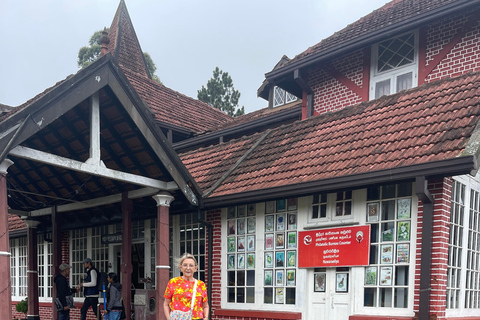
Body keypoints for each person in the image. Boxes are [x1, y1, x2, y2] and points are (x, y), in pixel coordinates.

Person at [164, 253, 209, 320]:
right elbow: (166, 304)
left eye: (191, 265)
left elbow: (205, 306)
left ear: (195, 268)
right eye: (185, 265)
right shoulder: (173, 282)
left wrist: (206, 317)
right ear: (180, 267)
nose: (188, 268)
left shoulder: (201, 285)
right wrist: (168, 318)